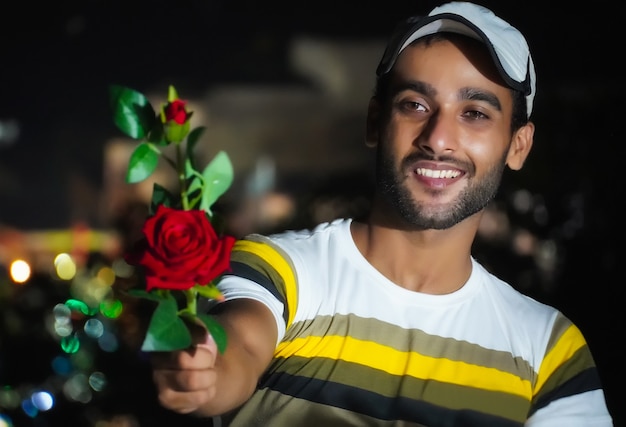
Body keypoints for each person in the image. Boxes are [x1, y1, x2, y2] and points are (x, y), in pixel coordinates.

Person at [149, 2, 614, 426]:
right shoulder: (283, 270)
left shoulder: (549, 351)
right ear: (376, 122)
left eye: (474, 113)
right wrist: (207, 370)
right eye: (415, 105)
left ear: (518, 145)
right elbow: (243, 343)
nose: (438, 138)